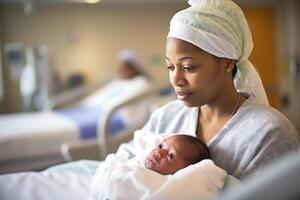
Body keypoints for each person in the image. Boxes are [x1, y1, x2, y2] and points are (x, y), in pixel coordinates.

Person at [116, 0, 300, 180]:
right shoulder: (166, 117)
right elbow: (122, 163)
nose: (176, 80)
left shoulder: (269, 133)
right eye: (170, 67)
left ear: (228, 62)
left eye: (188, 67)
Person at [89, 131, 226, 200]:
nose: (158, 152)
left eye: (170, 156)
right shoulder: (139, 164)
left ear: (184, 170)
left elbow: (120, 185)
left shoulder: (167, 185)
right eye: (161, 145)